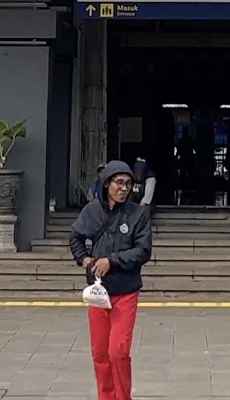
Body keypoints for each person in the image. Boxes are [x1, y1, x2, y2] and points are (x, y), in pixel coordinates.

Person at [68, 159, 154, 400]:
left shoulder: (138, 214)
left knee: (118, 351)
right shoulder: (91, 211)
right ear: (107, 183)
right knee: (100, 352)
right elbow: (75, 238)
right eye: (119, 183)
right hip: (98, 292)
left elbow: (143, 251)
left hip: (125, 291)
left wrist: (111, 261)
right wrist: (85, 260)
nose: (124, 188)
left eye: (128, 184)